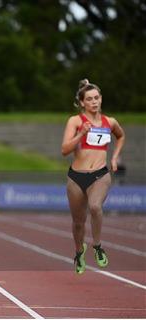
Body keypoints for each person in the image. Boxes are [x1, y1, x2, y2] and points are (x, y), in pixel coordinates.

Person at [61, 79, 125, 274]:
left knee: (95, 207)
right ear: (82, 103)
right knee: (78, 222)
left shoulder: (110, 122)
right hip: (76, 177)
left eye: (97, 98)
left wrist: (114, 157)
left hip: (100, 174)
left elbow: (121, 136)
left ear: (101, 99)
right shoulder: (75, 121)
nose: (94, 102)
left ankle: (97, 246)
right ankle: (79, 251)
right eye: (89, 99)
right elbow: (64, 150)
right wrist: (81, 134)